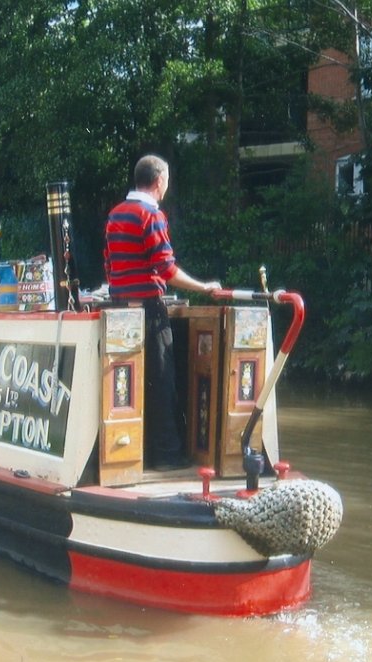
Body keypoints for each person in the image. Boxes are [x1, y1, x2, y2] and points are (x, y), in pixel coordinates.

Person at [104, 154, 221, 470]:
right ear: (158, 181)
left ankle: (127, 453)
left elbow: (110, 266)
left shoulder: (115, 214)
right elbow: (166, 269)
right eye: (166, 180)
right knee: (162, 380)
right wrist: (204, 287)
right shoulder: (151, 215)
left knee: (125, 386)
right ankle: (166, 457)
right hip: (149, 311)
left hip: (119, 312)